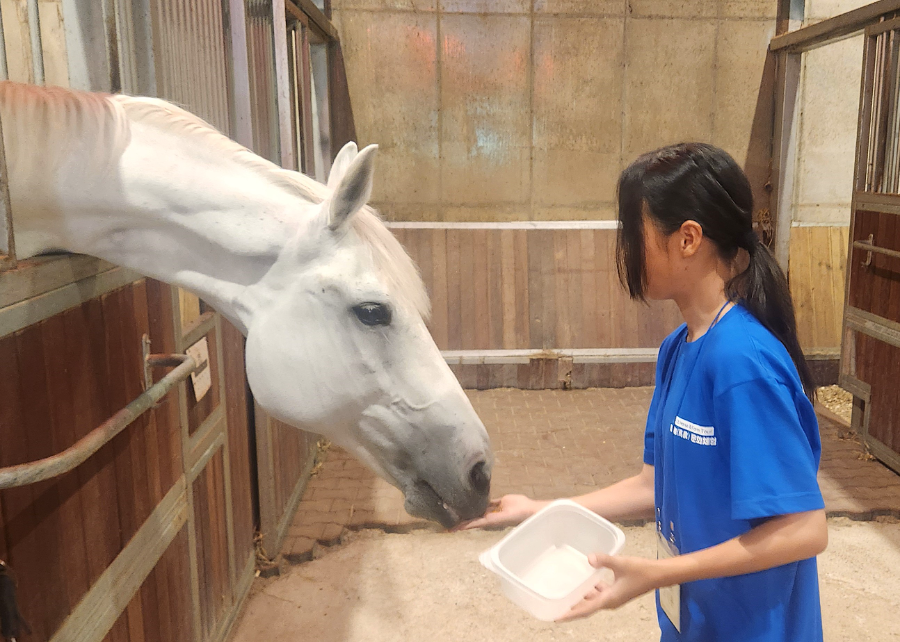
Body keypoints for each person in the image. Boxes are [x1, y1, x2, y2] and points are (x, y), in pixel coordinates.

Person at [459, 143, 828, 641]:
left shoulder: (743, 362)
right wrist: (540, 508)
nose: (627, 249)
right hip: (691, 624)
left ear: (688, 239)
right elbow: (652, 485)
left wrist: (658, 574)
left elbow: (805, 530)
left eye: (636, 232)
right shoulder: (677, 349)